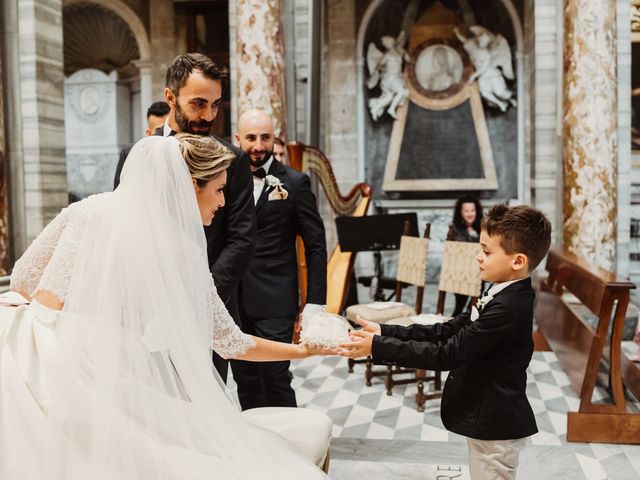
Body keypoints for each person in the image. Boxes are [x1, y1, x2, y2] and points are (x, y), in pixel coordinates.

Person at [1, 134, 329, 479]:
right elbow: (231, 342)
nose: (222, 201)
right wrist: (303, 351)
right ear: (189, 185)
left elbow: (22, 277)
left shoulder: (87, 208)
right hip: (102, 365)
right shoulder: (180, 249)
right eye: (219, 189)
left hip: (26, 347)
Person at [340, 204, 552, 480]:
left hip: (496, 424)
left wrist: (377, 347)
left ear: (518, 261)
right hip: (486, 417)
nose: (478, 257)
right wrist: (384, 331)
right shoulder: (499, 291)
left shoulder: (509, 306)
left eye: (487, 252)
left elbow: (447, 354)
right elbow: (447, 329)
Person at [114, 53, 255, 383]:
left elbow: (241, 239)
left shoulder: (232, 160)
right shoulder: (134, 156)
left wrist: (195, 300)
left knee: (201, 413)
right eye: (199, 104)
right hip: (143, 315)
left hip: (205, 312)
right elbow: (120, 230)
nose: (209, 115)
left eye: (216, 105)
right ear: (170, 97)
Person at [230, 109, 327, 410]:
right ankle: (257, 447)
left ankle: (291, 444)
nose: (258, 145)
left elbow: (316, 246)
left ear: (274, 138)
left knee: (274, 376)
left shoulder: (295, 183)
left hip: (275, 300)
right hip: (234, 299)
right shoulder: (226, 179)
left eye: (265, 137)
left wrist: (314, 303)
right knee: (244, 379)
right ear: (238, 139)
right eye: (251, 138)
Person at [447, 195, 484, 316]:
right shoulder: (454, 229)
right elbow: (453, 251)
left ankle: (468, 323)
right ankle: (456, 324)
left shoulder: (482, 229)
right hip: (461, 273)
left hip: (479, 274)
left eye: (472, 210)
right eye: (466, 211)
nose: (470, 214)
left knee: (474, 305)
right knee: (459, 305)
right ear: (460, 212)